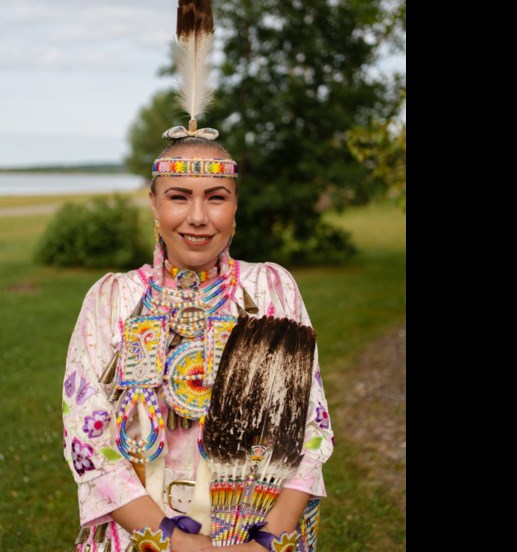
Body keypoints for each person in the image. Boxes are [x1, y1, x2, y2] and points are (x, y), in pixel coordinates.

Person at [61, 132, 334, 551]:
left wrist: (268, 540)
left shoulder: (271, 291)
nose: (198, 216)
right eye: (179, 196)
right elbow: (87, 439)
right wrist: (175, 542)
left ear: (236, 205)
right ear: (154, 203)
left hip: (256, 534)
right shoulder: (113, 300)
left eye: (216, 197)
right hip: (141, 537)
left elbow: (311, 428)